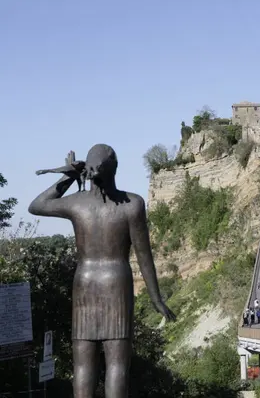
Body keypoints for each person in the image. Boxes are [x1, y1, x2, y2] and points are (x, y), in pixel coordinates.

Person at [29, 146, 176, 398]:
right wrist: (156, 298)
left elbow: (37, 205)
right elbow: (144, 255)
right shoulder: (132, 204)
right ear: (115, 169)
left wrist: (68, 177)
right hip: (117, 285)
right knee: (117, 366)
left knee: (83, 366)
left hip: (84, 285)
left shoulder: (77, 203)